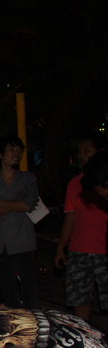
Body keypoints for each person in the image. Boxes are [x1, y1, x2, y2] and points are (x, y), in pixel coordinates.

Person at [0, 136, 40, 308]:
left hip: (23, 239)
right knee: (8, 290)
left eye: (19, 150)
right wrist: (16, 204)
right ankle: (14, 321)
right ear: (0, 154)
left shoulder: (28, 179)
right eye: (12, 150)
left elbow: (28, 205)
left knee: (29, 289)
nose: (16, 154)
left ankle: (31, 321)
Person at [53, 133, 108, 321]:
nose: (82, 155)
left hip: (103, 250)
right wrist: (61, 247)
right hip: (79, 250)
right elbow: (70, 216)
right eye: (80, 151)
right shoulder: (76, 183)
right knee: (79, 297)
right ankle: (85, 334)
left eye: (87, 151)